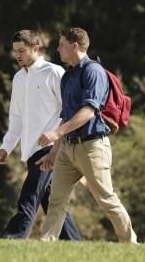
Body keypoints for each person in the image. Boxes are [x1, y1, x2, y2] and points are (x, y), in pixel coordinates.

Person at [36, 27, 137, 243]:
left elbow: (88, 112)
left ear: (74, 46)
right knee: (57, 199)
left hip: (92, 147)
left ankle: (131, 242)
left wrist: (56, 133)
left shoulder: (93, 71)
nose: (58, 49)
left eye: (61, 44)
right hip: (67, 148)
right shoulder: (68, 76)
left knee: (106, 199)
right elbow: (67, 116)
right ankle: (46, 243)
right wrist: (54, 152)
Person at [0, 30, 82, 240]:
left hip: (50, 149)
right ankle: (74, 243)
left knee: (29, 196)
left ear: (35, 48)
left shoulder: (54, 72)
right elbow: (16, 119)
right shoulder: (18, 79)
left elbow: (69, 110)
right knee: (51, 202)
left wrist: (56, 138)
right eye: (15, 51)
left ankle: (12, 239)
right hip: (29, 151)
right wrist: (6, 146)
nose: (18, 55)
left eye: (22, 51)